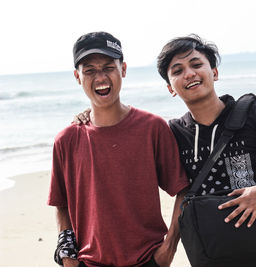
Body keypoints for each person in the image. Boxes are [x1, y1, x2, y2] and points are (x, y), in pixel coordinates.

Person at [156, 34, 256, 267]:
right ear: (170, 87)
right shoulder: (174, 133)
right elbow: (182, 193)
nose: (189, 73)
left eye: (197, 64)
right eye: (177, 70)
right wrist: (170, 244)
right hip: (214, 256)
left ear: (215, 72)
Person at [47, 31, 188, 267]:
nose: (100, 77)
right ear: (77, 77)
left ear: (123, 69)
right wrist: (68, 256)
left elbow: (183, 190)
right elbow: (62, 203)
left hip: (148, 261)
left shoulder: (153, 128)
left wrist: (168, 249)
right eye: (89, 70)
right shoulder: (66, 139)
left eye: (108, 67)